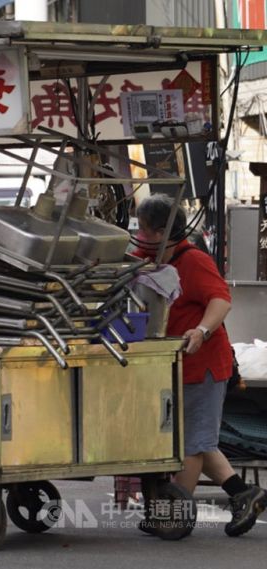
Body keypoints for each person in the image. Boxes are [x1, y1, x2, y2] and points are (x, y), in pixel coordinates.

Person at [135, 194, 267, 537]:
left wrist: (201, 330)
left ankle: (175, 514)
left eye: (144, 228)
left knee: (192, 443)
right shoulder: (143, 257)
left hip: (203, 364)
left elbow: (221, 300)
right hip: (166, 366)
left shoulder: (193, 260)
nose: (138, 233)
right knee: (195, 438)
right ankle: (243, 493)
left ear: (163, 231)